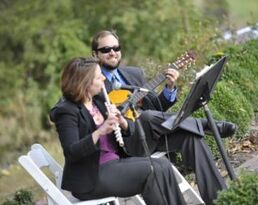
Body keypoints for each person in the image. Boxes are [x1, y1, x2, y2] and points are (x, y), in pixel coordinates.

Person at [91, 30, 237, 205]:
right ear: (95, 54)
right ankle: (204, 124)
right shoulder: (93, 85)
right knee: (145, 118)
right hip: (125, 145)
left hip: (151, 136)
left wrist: (169, 87)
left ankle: (221, 200)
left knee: (192, 138)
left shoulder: (134, 73)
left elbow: (156, 108)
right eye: (106, 49)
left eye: (116, 47)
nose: (113, 52)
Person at [49, 57, 186, 205]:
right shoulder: (66, 111)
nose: (103, 77)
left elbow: (126, 129)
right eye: (98, 76)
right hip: (91, 177)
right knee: (152, 171)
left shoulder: (99, 99)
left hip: (115, 162)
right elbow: (71, 152)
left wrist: (121, 122)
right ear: (85, 83)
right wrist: (100, 131)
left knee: (163, 165)